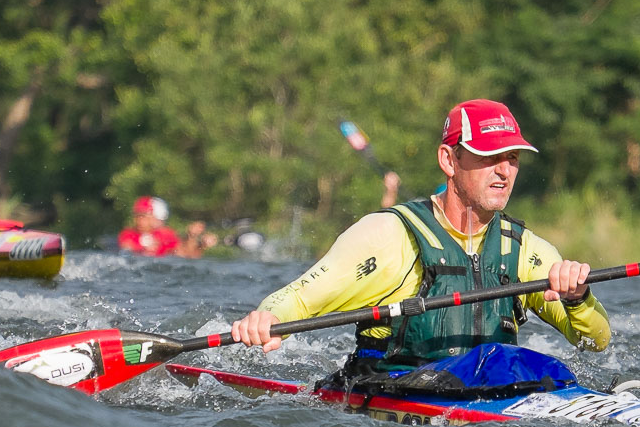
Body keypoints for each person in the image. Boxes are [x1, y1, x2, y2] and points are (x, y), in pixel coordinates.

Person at [231, 99, 610, 381]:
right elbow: (298, 297)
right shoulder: (387, 237)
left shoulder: (525, 249)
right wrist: (268, 318)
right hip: (396, 390)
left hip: (493, 397)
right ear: (448, 160)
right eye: (488, 156)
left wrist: (578, 298)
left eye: (512, 158)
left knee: (533, 368)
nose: (503, 171)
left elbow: (595, 342)